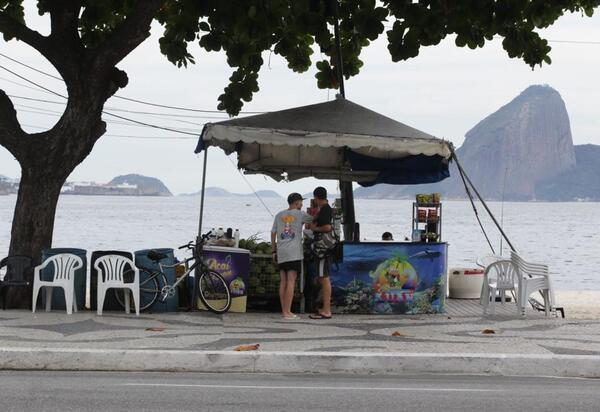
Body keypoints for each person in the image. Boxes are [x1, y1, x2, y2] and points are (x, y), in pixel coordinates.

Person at [271, 193, 313, 320]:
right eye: (301, 202)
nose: (302, 204)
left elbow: (273, 233)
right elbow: (314, 219)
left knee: (283, 281)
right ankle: (287, 312)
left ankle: (284, 311)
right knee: (291, 281)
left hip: (281, 251)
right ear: (296, 202)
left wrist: (274, 250)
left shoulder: (279, 215)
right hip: (294, 252)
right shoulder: (300, 214)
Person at [309, 186, 334, 320]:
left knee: (324, 278)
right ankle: (324, 307)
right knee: (322, 277)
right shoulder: (324, 209)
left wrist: (315, 228)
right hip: (322, 249)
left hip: (322, 250)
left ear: (316, 197)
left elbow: (327, 227)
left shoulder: (325, 209)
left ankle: (327, 309)